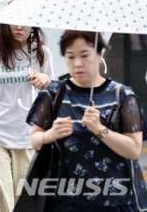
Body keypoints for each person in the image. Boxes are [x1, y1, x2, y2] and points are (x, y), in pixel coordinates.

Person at [27, 30, 147, 211]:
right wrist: (50, 135)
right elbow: (35, 140)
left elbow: (133, 149)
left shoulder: (123, 96)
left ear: (100, 54)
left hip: (116, 201)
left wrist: (100, 129)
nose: (77, 63)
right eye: (70, 56)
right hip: (65, 202)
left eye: (85, 55)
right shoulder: (53, 94)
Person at [0, 24, 55, 212]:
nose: (19, 26)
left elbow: (53, 93)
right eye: (14, 21)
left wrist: (46, 79)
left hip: (28, 137)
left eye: (24, 22)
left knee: (24, 200)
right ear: (4, 25)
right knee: (0, 199)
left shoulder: (42, 54)